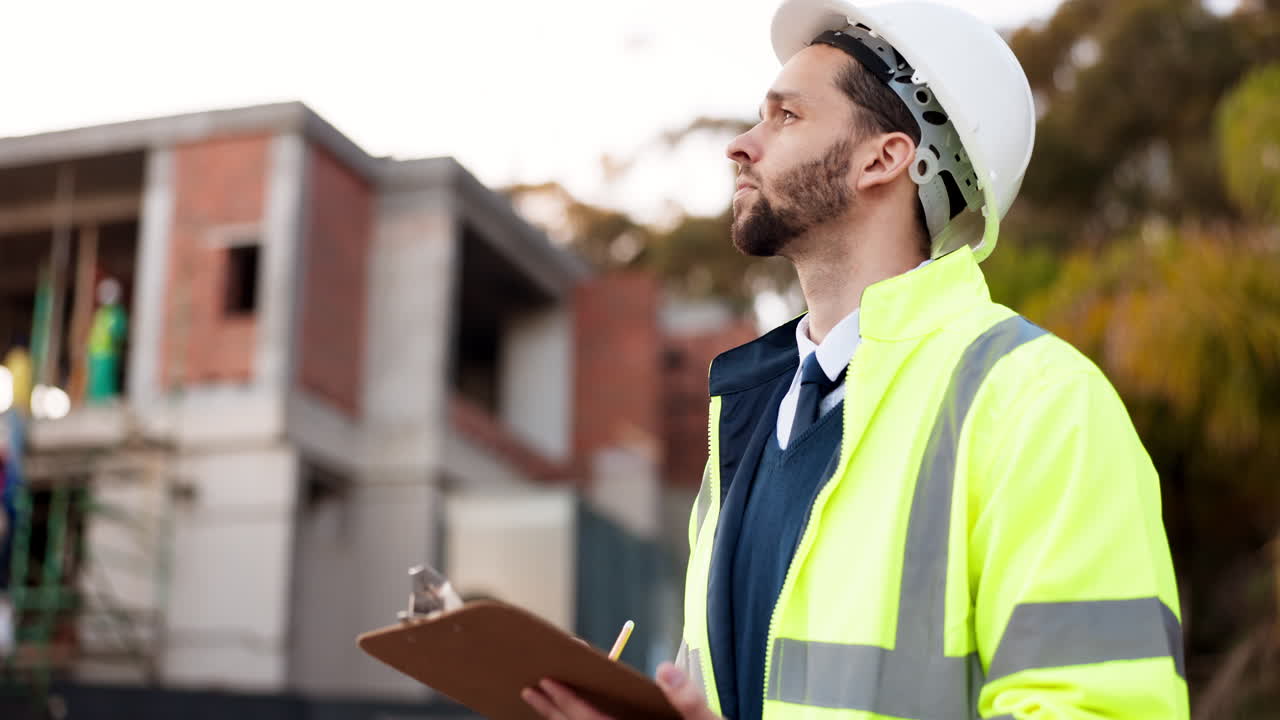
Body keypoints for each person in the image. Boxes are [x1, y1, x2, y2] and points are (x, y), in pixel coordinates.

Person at [523, 1, 1187, 718]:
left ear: (885, 156)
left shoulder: (1039, 402)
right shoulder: (744, 434)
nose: (741, 145)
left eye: (786, 117)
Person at [86, 277, 128, 404]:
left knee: (106, 378)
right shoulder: (101, 313)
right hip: (95, 353)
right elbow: (94, 332)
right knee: (96, 380)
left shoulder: (117, 314)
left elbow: (119, 332)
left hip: (109, 353)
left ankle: (105, 401)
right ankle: (94, 401)